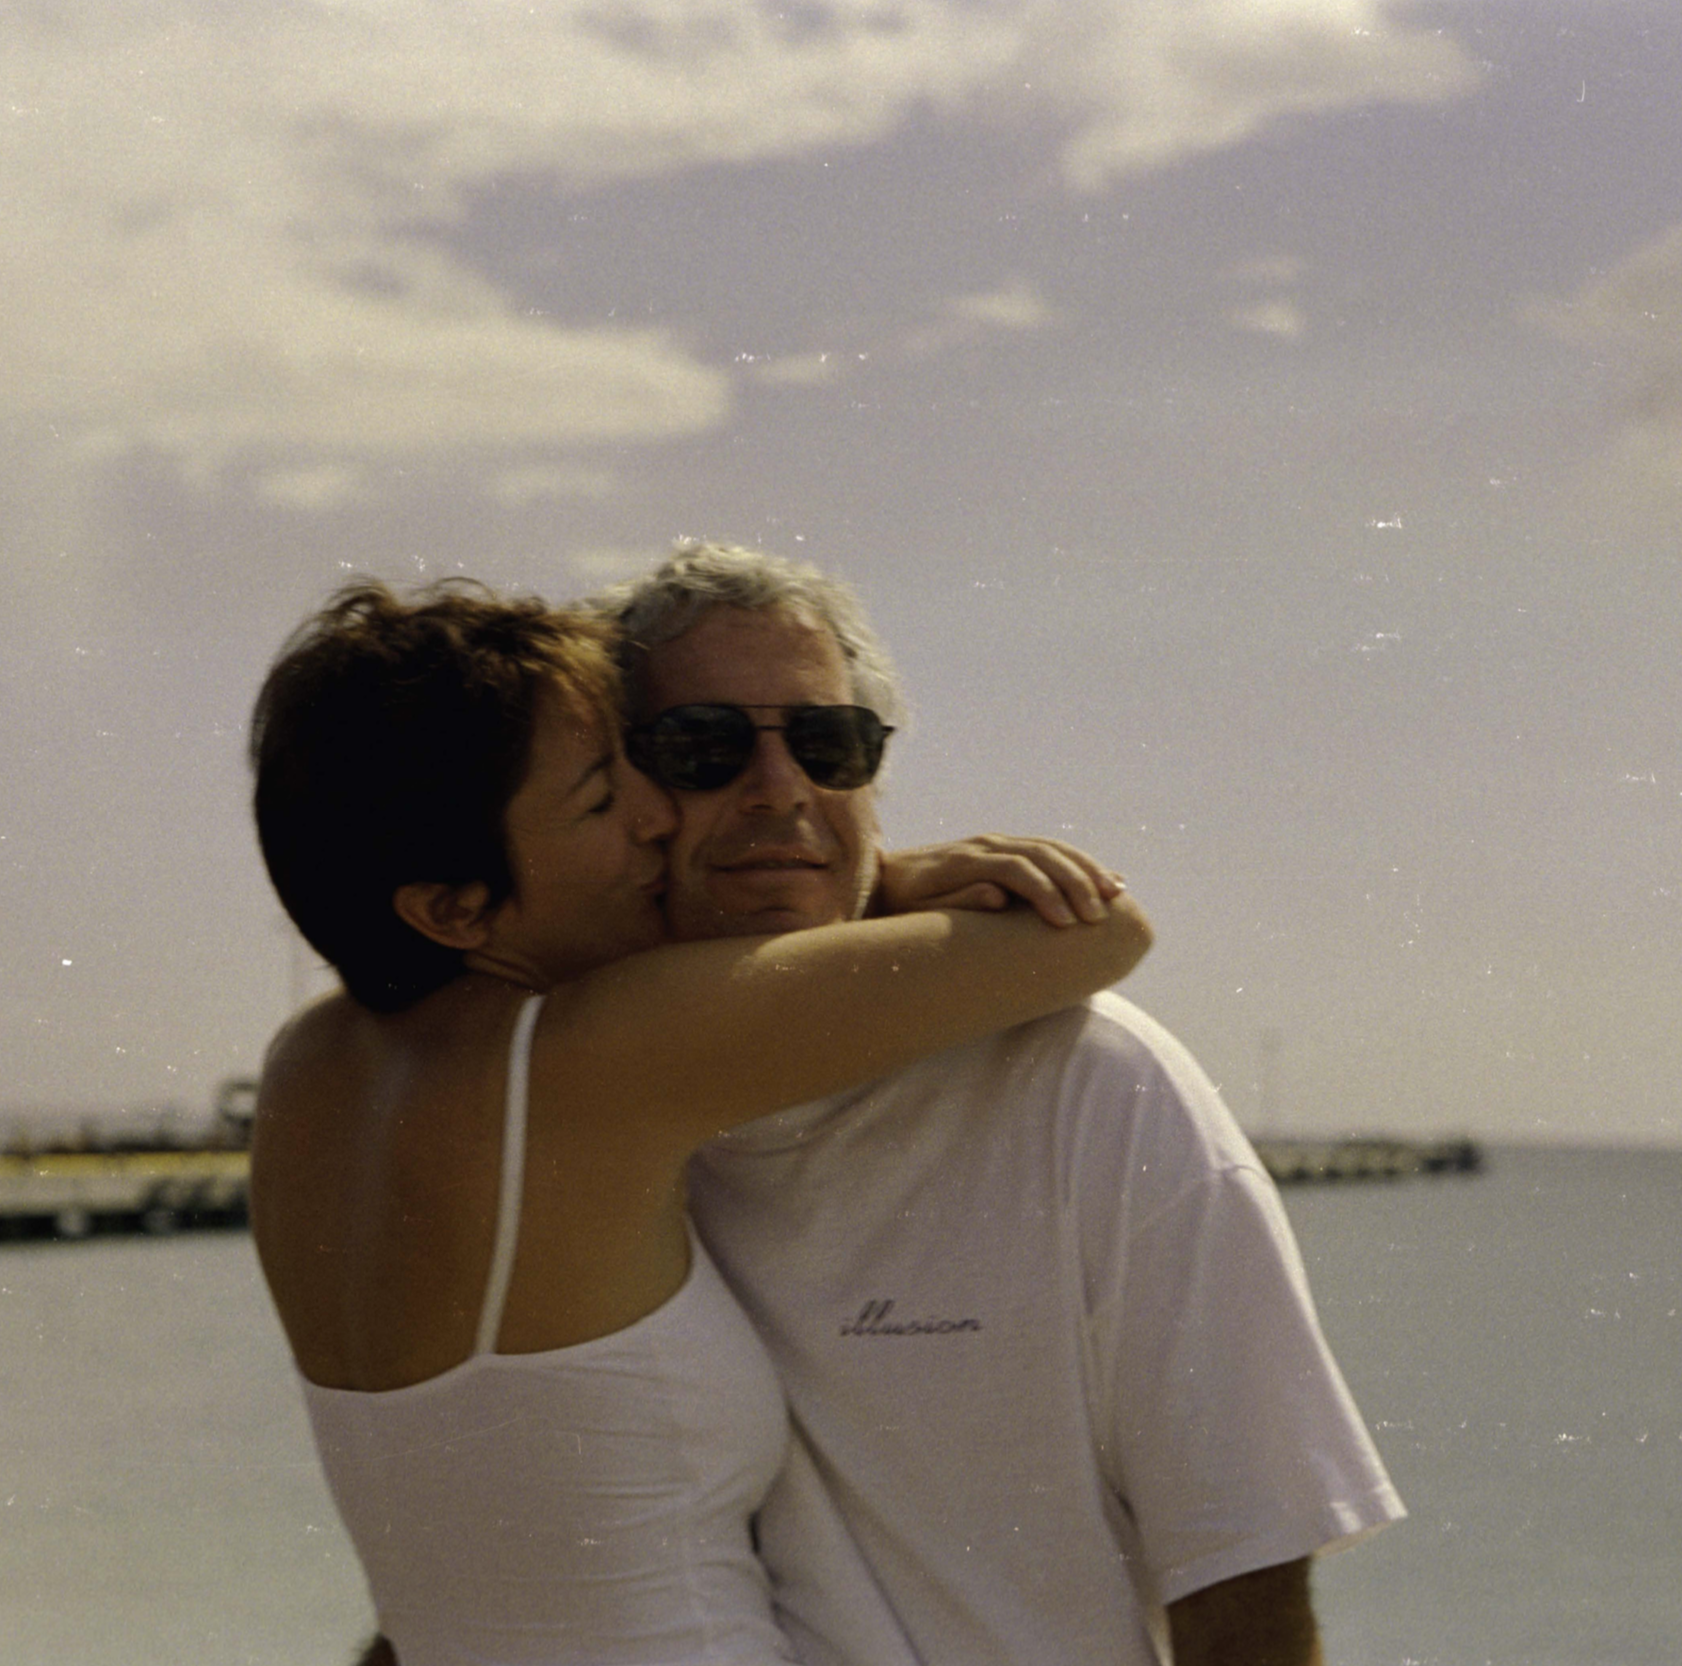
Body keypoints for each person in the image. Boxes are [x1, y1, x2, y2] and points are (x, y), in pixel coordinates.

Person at [244, 579, 1151, 1665]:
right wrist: (884, 878)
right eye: (598, 799)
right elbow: (1095, 935)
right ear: (451, 908)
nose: (657, 815)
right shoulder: (591, 1055)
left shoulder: (307, 1071)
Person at [596, 542, 1406, 1666]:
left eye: (829, 746)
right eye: (703, 747)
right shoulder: (562, 1113)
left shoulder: (1092, 1085)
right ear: (614, 798)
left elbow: (1245, 1584)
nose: (781, 788)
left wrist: (865, 888)